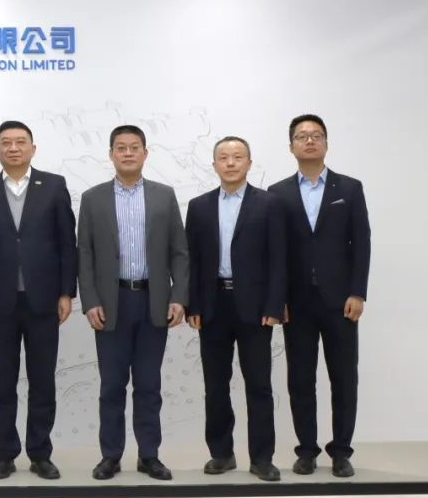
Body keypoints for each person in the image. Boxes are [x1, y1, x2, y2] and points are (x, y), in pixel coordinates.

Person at [77, 124, 189, 481]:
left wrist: (179, 297)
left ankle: (149, 456)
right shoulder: (92, 198)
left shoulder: (164, 196)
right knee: (111, 386)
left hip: (153, 301)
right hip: (110, 304)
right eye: (121, 147)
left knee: (148, 385)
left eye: (134, 147)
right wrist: (90, 300)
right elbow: (85, 254)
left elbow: (179, 251)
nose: (128, 153)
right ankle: (110, 456)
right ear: (111, 154)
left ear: (145, 153)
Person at [0, 121, 76, 480]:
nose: (13, 148)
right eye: (6, 143)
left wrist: (66, 291)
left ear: (33, 148)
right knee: (2, 382)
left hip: (43, 300)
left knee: (42, 381)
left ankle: (40, 453)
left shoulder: (54, 185)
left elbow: (67, 242)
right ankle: (5, 453)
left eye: (20, 142)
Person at [268, 114, 370, 478]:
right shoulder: (277, 193)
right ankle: (307, 451)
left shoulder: (349, 188)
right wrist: (277, 298)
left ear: (326, 143)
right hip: (296, 303)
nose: (309, 141)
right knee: (300, 379)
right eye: (302, 136)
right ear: (291, 146)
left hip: (340, 301)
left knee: (344, 378)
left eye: (316, 135)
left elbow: (361, 243)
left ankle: (341, 451)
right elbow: (275, 251)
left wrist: (358, 292)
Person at [185, 136, 286, 482]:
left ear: (249, 163)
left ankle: (262, 458)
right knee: (216, 385)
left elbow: (279, 259)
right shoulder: (199, 206)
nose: (230, 163)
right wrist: (193, 304)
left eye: (238, 157)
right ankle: (221, 453)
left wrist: (274, 304)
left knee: (259, 385)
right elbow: (192, 260)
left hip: (255, 308)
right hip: (212, 305)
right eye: (224, 157)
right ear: (214, 164)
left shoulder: (269, 204)